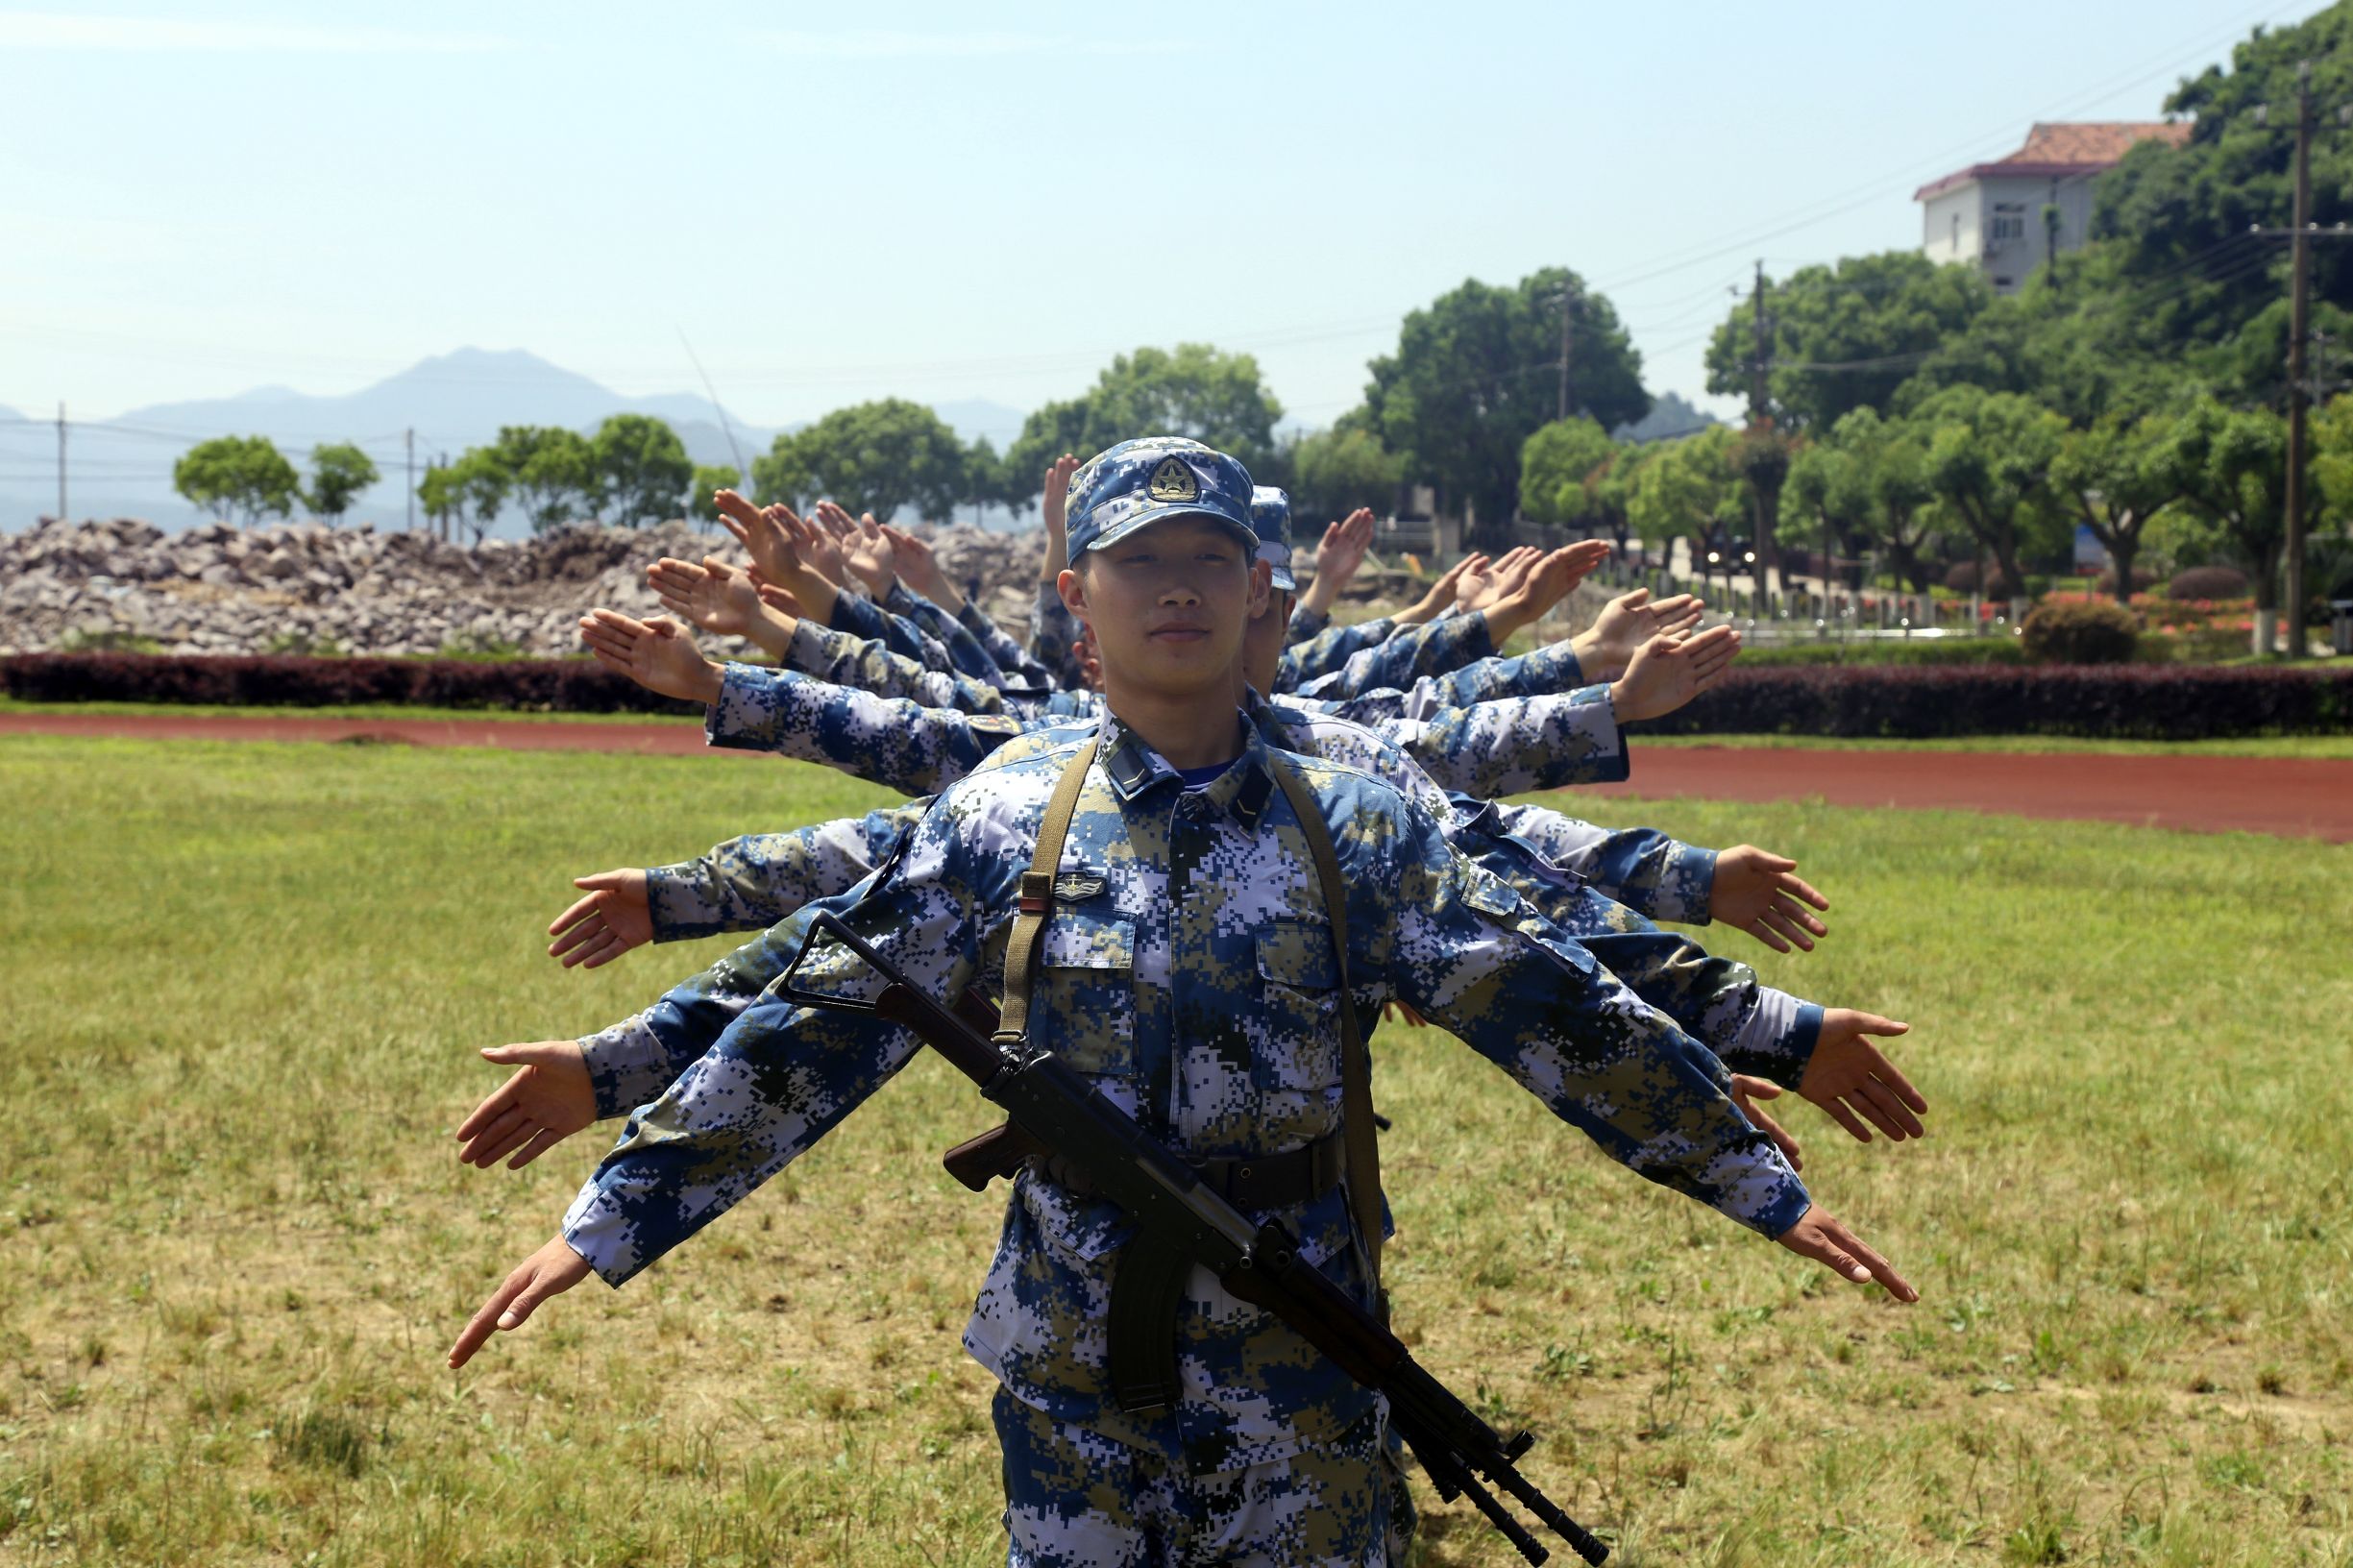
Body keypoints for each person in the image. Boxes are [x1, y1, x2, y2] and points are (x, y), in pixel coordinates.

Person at [449, 437, 1914, 1564]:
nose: (1176, 588)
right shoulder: (1002, 811)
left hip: (1303, 1349)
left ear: (1258, 594)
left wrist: (1741, 1166)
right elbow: (823, 1011)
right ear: (1077, 598)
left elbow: (1546, 1001)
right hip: (1072, 1353)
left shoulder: (1357, 818)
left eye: (1209, 559)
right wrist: (620, 1205)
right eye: (1138, 561)